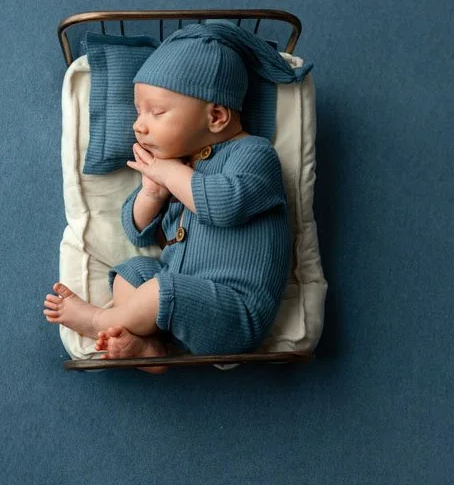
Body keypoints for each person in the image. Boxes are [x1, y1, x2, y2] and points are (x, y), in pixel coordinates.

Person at [43, 22, 312, 371]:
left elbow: (225, 205)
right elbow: (140, 233)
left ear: (216, 116)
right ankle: (151, 347)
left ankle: (99, 322)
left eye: (157, 112)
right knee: (133, 271)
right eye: (139, 112)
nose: (139, 125)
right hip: (182, 303)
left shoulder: (254, 154)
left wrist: (169, 173)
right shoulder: (181, 169)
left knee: (161, 291)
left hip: (234, 314)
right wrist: (152, 194)